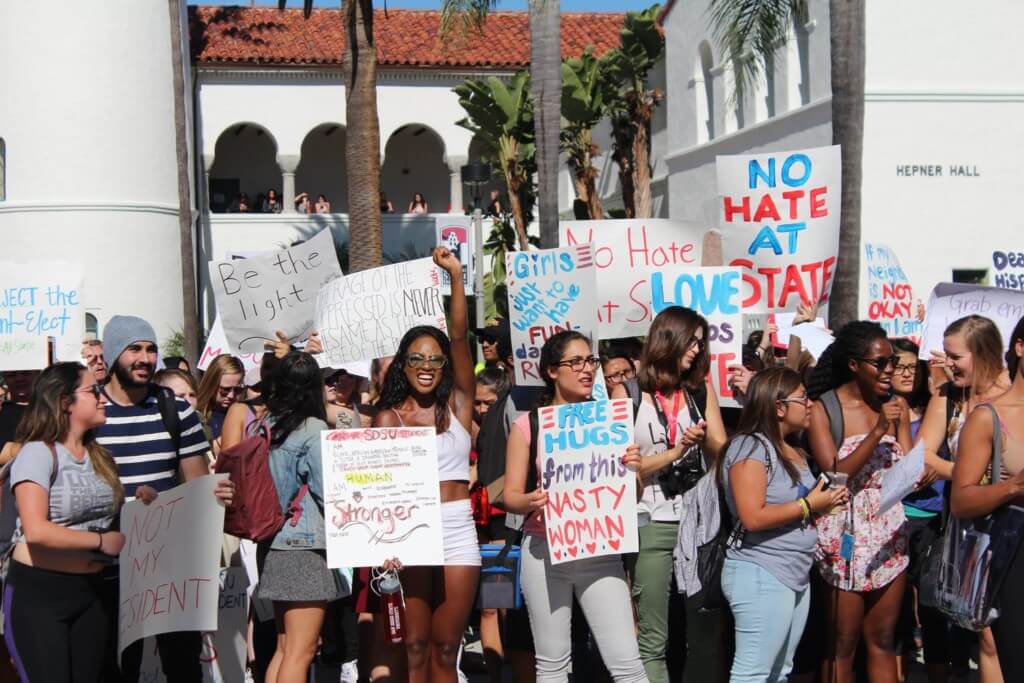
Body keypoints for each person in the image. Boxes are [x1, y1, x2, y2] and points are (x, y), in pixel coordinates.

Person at [94, 315, 233, 682]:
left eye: (151, 349)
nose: (144, 358)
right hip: (107, 564)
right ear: (111, 355)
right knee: (116, 666)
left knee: (182, 665)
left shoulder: (176, 410)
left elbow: (195, 485)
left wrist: (213, 495)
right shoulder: (89, 411)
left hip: (167, 564)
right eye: (134, 349)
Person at [504, 330, 647, 682]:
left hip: (600, 551)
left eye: (591, 362)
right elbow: (509, 495)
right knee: (552, 663)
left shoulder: (609, 421)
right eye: (576, 362)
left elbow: (634, 494)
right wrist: (529, 500)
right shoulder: (530, 424)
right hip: (545, 552)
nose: (587, 370)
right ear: (552, 370)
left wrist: (634, 471)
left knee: (628, 663)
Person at [371, 247, 478, 683]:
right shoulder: (387, 418)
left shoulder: (458, 404)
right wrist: (383, 543)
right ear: (403, 364)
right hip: (408, 532)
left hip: (456, 528)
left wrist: (454, 276)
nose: (428, 366)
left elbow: (457, 338)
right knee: (414, 648)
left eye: (435, 359)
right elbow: (377, 488)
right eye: (417, 358)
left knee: (446, 648)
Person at [610, 305, 727, 683]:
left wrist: (705, 437)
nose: (696, 349)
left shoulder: (699, 390)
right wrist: (675, 451)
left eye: (700, 342)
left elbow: (720, 449)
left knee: (704, 634)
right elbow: (620, 467)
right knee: (652, 639)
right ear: (668, 339)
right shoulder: (627, 393)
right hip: (650, 522)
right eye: (690, 341)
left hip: (698, 523)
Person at [719, 367, 848, 682]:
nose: (811, 405)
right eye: (803, 398)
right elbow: (752, 516)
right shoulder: (750, 446)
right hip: (761, 572)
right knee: (753, 673)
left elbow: (791, 508)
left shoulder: (793, 449)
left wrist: (823, 506)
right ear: (778, 407)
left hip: (793, 572)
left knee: (780, 672)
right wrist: (808, 505)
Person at [0, 363, 125, 683]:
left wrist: (146, 503)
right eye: (93, 391)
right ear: (64, 402)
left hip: (91, 594)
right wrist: (99, 542)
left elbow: (112, 520)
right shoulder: (37, 454)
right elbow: (36, 530)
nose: (102, 398)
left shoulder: (101, 458)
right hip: (39, 595)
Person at [806, 321, 912, 683]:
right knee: (842, 645)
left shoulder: (897, 406)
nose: (889, 371)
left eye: (892, 362)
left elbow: (907, 466)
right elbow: (834, 472)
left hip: (889, 535)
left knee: (882, 640)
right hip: (845, 539)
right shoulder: (824, 409)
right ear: (854, 365)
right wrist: (878, 431)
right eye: (880, 364)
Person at [915, 314, 1009, 683]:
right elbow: (922, 456)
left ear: (984, 353)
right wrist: (973, 476)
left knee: (1001, 632)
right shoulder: (947, 396)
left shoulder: (1012, 394)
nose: (946, 363)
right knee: (984, 631)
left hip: (1009, 522)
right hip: (965, 526)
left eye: (955, 357)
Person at [258, 351, 343, 683]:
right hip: (303, 545)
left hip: (273, 542)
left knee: (284, 647)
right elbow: (328, 491)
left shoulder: (265, 423)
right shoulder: (313, 428)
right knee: (302, 651)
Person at [950, 315, 1024, 681]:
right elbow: (961, 501)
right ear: (1020, 349)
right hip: (1013, 559)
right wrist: (1014, 486)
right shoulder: (988, 417)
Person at [889, 339, 950, 682]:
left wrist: (936, 466)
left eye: (914, 366)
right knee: (896, 611)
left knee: (932, 607)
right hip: (898, 518)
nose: (908, 373)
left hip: (933, 519)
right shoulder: (884, 411)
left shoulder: (938, 411)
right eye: (900, 366)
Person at [195, 354, 246, 446]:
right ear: (211, 384)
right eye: (225, 390)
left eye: (238, 389)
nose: (231, 395)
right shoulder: (197, 417)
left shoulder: (246, 414)